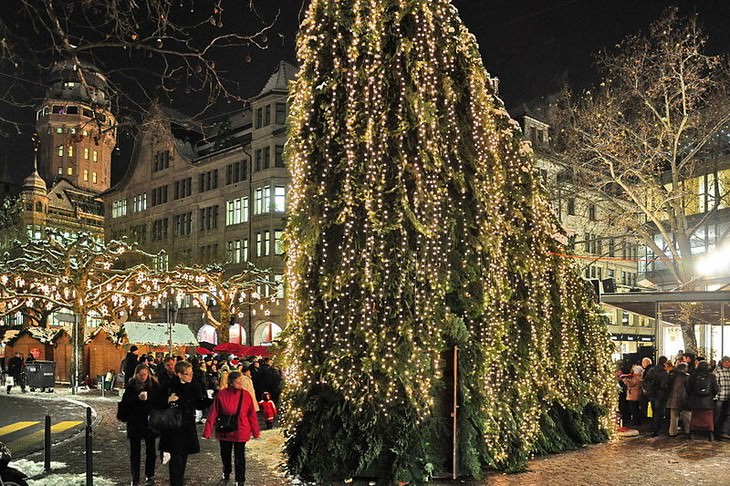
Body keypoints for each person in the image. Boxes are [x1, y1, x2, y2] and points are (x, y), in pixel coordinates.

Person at [203, 371, 260, 485]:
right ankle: (227, 471)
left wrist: (255, 431)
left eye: (241, 382)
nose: (240, 384)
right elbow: (213, 412)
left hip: (241, 430)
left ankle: (240, 479)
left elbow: (251, 414)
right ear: (231, 382)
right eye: (238, 382)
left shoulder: (246, 395)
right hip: (225, 431)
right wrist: (207, 431)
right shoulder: (221, 394)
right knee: (225, 454)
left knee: (240, 456)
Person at [159, 361, 207, 486]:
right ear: (179, 374)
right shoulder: (169, 386)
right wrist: (168, 400)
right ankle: (176, 483)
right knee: (176, 457)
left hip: (186, 425)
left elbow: (198, 404)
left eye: (191, 374)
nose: (190, 376)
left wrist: (211, 400)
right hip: (173, 426)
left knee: (183, 456)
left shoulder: (194, 385)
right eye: (187, 374)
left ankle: (178, 481)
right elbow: (157, 403)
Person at [120, 363, 163, 486]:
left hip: (150, 422)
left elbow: (159, 401)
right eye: (141, 375)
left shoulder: (154, 385)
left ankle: (149, 474)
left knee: (151, 450)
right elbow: (125, 403)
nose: (143, 377)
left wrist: (150, 400)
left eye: (145, 374)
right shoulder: (132, 385)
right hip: (135, 422)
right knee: (135, 451)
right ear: (136, 375)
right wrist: (137, 398)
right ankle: (135, 476)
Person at [687, 360, 719, 440]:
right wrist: (712, 395)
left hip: (696, 401)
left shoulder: (693, 376)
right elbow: (716, 388)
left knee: (695, 418)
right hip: (708, 402)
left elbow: (688, 388)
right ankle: (710, 434)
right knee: (708, 419)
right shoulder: (712, 376)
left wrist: (692, 395)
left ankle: (692, 433)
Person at [666, 362, 691, 437]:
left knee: (674, 416)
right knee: (687, 415)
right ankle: (688, 430)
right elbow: (689, 388)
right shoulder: (687, 377)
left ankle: (672, 432)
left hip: (673, 398)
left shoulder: (672, 375)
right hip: (684, 398)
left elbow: (666, 385)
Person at [714, 356, 730, 440]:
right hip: (720, 397)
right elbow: (715, 384)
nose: (727, 363)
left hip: (728, 397)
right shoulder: (717, 371)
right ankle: (715, 432)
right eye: (726, 361)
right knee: (718, 415)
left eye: (729, 362)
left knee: (726, 415)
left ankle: (723, 432)